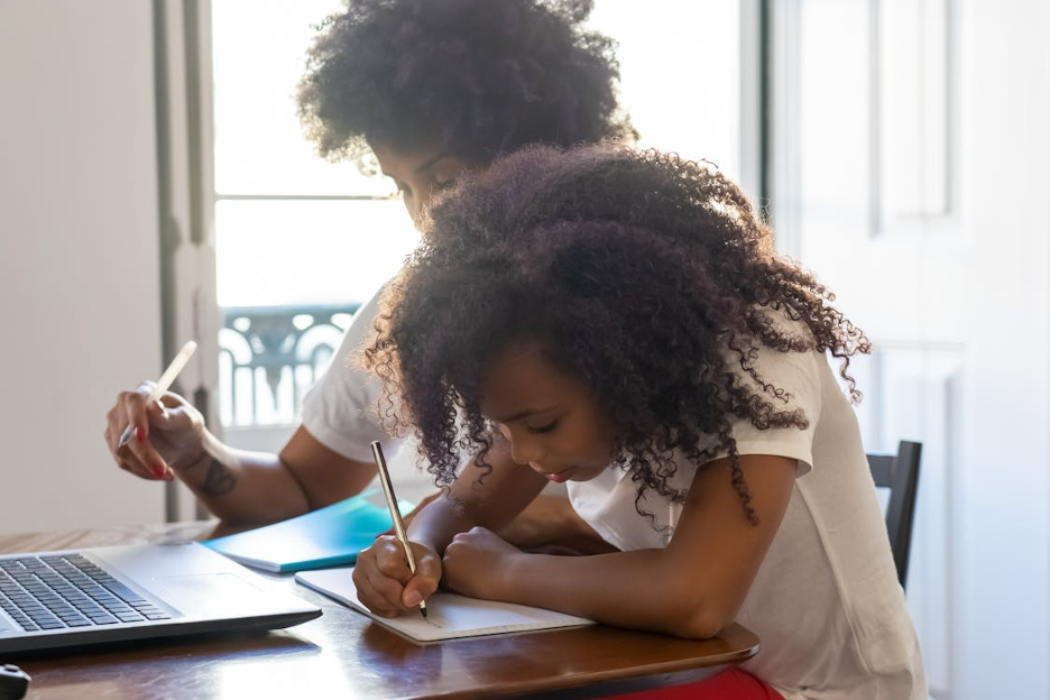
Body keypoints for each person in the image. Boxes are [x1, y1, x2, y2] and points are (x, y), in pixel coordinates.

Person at [353, 144, 928, 699]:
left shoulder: (755, 356)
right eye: (503, 430)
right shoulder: (541, 376)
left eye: (544, 425)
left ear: (621, 359)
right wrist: (410, 549)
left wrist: (506, 572)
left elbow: (693, 599)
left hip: (814, 689)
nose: (523, 453)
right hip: (679, 666)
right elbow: (465, 508)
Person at [102, 0, 634, 543]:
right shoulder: (415, 309)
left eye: (446, 177)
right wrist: (194, 450)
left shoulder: (656, 297)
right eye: (400, 186)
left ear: (541, 147)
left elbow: (683, 546)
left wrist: (522, 526)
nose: (425, 214)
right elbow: (303, 489)